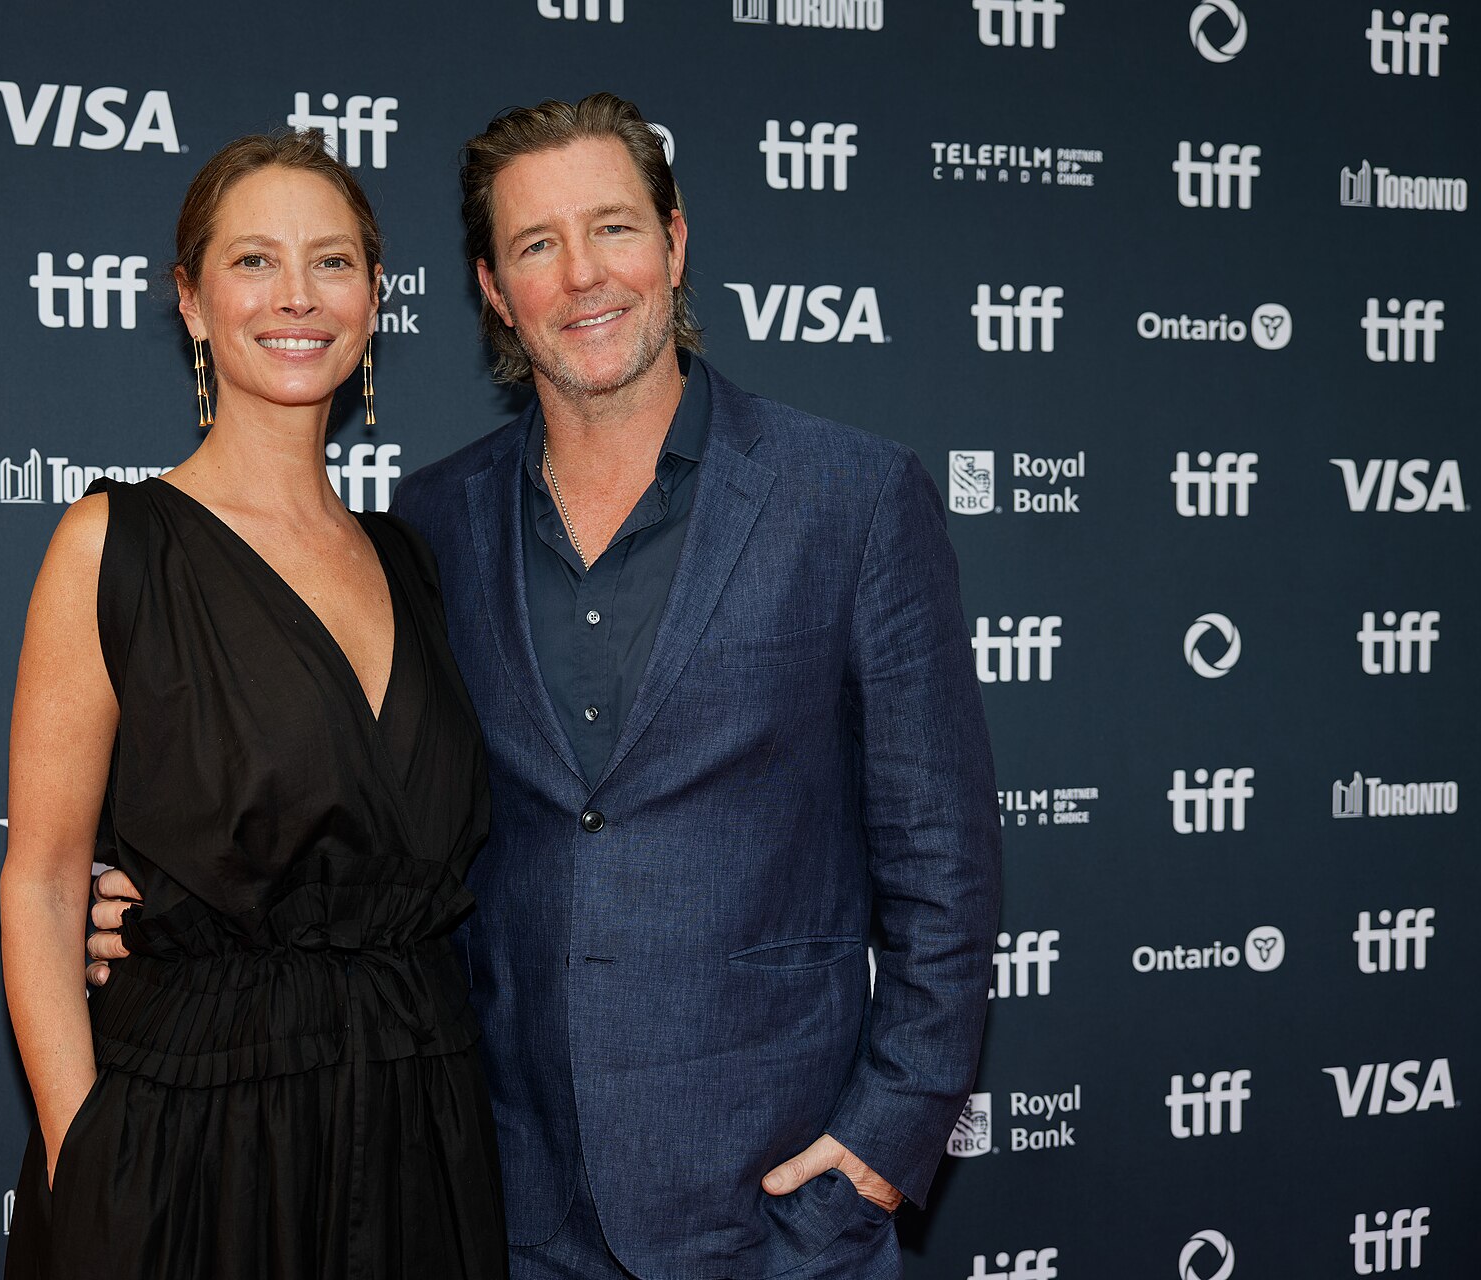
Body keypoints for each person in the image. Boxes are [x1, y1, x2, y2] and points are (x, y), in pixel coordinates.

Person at [89, 93, 1002, 1280]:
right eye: (535, 246)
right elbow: (363, 795)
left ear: (674, 244)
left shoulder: (853, 497)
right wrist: (151, 894)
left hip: (777, 1216)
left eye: (614, 229)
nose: (583, 277)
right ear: (490, 289)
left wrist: (885, 1140)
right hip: (495, 1202)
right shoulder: (430, 525)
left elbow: (944, 856)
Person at [1, 130, 506, 1279]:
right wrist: (89, 1154)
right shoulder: (113, 544)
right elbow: (40, 875)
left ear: (376, 298)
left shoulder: (414, 561)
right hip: (194, 1146)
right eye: (253, 261)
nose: (297, 296)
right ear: (189, 301)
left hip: (418, 1133)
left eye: (333, 262)